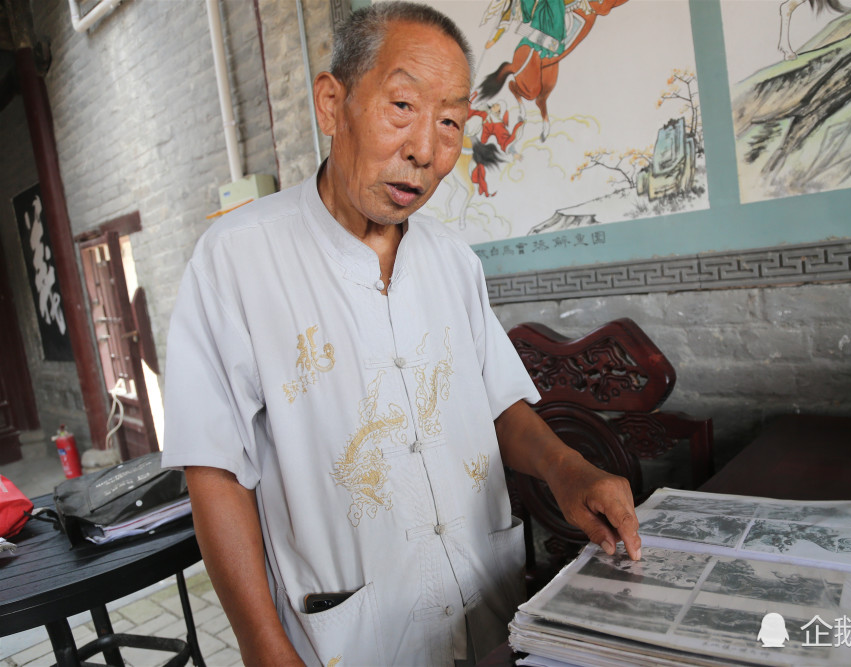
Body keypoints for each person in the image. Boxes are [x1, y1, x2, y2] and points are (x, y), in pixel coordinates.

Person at [162, 3, 640, 665]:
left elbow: (498, 403)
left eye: (449, 121)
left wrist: (569, 469)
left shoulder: (453, 261)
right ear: (333, 104)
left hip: (486, 612)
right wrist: (263, 646)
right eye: (401, 107)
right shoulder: (236, 259)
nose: (426, 149)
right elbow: (215, 469)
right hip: (348, 637)